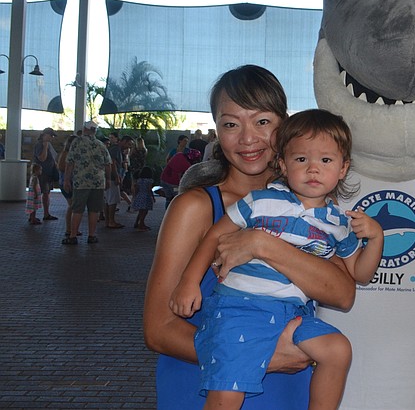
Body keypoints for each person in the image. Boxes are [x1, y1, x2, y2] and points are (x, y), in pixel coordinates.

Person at [143, 64, 356, 410]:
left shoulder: (308, 209)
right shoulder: (197, 208)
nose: (247, 138)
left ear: (284, 126)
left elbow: (343, 293)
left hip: (286, 391)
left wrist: (261, 244)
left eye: (262, 122)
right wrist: (256, 355)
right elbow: (158, 328)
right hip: (206, 387)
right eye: (230, 124)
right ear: (216, 130)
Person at [170, 108, 383, 410]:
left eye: (325, 160)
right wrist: (189, 282)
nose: (313, 169)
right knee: (228, 394)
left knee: (337, 350)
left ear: (343, 167)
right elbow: (215, 236)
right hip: (240, 309)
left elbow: (359, 274)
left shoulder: (339, 223)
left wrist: (376, 239)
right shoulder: (262, 200)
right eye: (301, 159)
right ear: (283, 164)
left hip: (293, 315)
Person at [63, 120, 113, 245]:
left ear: (85, 129)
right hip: (98, 182)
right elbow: (108, 164)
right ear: (95, 131)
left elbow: (70, 162)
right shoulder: (101, 145)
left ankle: (73, 236)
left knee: (77, 209)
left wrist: (66, 179)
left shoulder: (76, 142)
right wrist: (107, 179)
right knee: (94, 210)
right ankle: (91, 235)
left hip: (81, 182)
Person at [33, 127, 60, 221]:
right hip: (42, 173)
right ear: (45, 135)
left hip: (49, 173)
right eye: (50, 135)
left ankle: (46, 213)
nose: (51, 138)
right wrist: (45, 146)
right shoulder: (40, 145)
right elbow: (42, 158)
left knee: (46, 193)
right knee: (37, 194)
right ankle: (33, 216)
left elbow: (53, 157)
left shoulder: (49, 144)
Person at [57, 135, 79, 239]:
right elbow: (61, 167)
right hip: (66, 182)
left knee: (73, 206)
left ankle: (71, 229)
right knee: (72, 205)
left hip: (72, 182)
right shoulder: (65, 154)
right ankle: (69, 229)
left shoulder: (73, 154)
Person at [131, 165, 156, 231]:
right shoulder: (149, 181)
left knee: (140, 211)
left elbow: (136, 189)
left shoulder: (139, 180)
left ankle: (137, 222)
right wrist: (152, 197)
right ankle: (141, 224)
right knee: (144, 212)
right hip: (146, 197)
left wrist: (135, 196)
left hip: (139, 196)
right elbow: (149, 189)